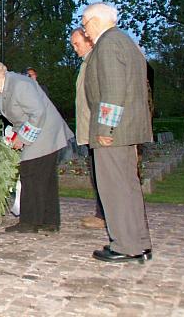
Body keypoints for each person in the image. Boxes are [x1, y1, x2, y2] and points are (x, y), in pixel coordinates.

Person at [82, 2, 152, 263]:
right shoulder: (126, 42)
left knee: (115, 189)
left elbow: (112, 91)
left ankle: (125, 246)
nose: (85, 30)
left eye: (85, 23)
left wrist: (105, 128)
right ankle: (139, 242)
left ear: (97, 20)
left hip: (114, 132)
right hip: (128, 130)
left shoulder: (108, 44)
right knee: (129, 187)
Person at [0, 59, 72, 233]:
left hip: (46, 132)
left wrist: (21, 138)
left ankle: (29, 222)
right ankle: (49, 223)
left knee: (30, 173)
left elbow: (38, 113)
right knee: (44, 178)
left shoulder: (20, 84)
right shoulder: (1, 89)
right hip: (38, 132)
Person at [70, 28, 106, 230]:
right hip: (89, 130)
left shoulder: (96, 62)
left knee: (103, 176)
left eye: (77, 44)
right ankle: (101, 214)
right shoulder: (86, 63)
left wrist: (102, 128)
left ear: (89, 41)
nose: (75, 49)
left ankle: (105, 216)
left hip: (97, 130)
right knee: (96, 175)